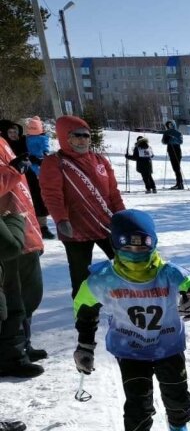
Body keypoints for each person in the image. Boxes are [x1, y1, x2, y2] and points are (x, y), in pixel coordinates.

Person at [72, 209, 190, 431]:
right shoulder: (103, 279)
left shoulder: (169, 272)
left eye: (143, 242)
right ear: (115, 243)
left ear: (154, 242)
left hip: (168, 347)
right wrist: (85, 346)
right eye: (128, 243)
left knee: (176, 394)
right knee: (138, 408)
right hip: (131, 352)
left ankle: (178, 423)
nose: (137, 249)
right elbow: (85, 309)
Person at [39, 115, 124, 301]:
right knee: (80, 275)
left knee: (125, 264)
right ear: (64, 137)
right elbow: (52, 194)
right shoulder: (55, 162)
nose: (83, 140)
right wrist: (61, 219)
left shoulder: (99, 159)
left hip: (107, 224)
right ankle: (83, 309)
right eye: (77, 135)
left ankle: (128, 299)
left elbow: (113, 193)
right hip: (75, 230)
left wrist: (123, 217)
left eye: (86, 135)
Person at [0, 134, 46, 376]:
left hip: (23, 227)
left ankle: (23, 344)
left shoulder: (2, 141)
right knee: (13, 299)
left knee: (30, 295)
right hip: (8, 233)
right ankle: (11, 355)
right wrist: (13, 170)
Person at [161, 121, 184, 189]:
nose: (169, 126)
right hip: (170, 150)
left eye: (171, 125)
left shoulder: (178, 133)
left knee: (177, 168)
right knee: (174, 168)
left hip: (176, 150)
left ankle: (180, 184)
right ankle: (178, 183)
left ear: (174, 125)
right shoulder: (166, 132)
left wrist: (173, 138)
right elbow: (163, 142)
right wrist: (166, 140)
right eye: (168, 125)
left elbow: (180, 141)